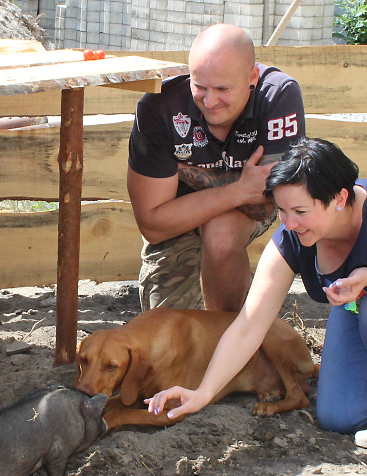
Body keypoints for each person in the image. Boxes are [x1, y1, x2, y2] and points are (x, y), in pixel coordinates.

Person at [145, 138, 367, 450]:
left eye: (300, 211)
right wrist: (201, 393)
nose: (289, 223)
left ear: (340, 198)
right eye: (282, 210)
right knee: (340, 417)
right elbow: (249, 324)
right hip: (364, 299)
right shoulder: (293, 236)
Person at [127, 23, 305, 312]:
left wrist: (183, 171)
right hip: (177, 221)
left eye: (223, 89)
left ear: (252, 77)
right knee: (168, 336)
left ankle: (231, 334)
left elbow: (266, 204)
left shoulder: (278, 96)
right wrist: (239, 190)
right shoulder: (158, 107)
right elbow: (153, 225)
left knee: (220, 235)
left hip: (193, 207)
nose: (210, 102)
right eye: (199, 86)